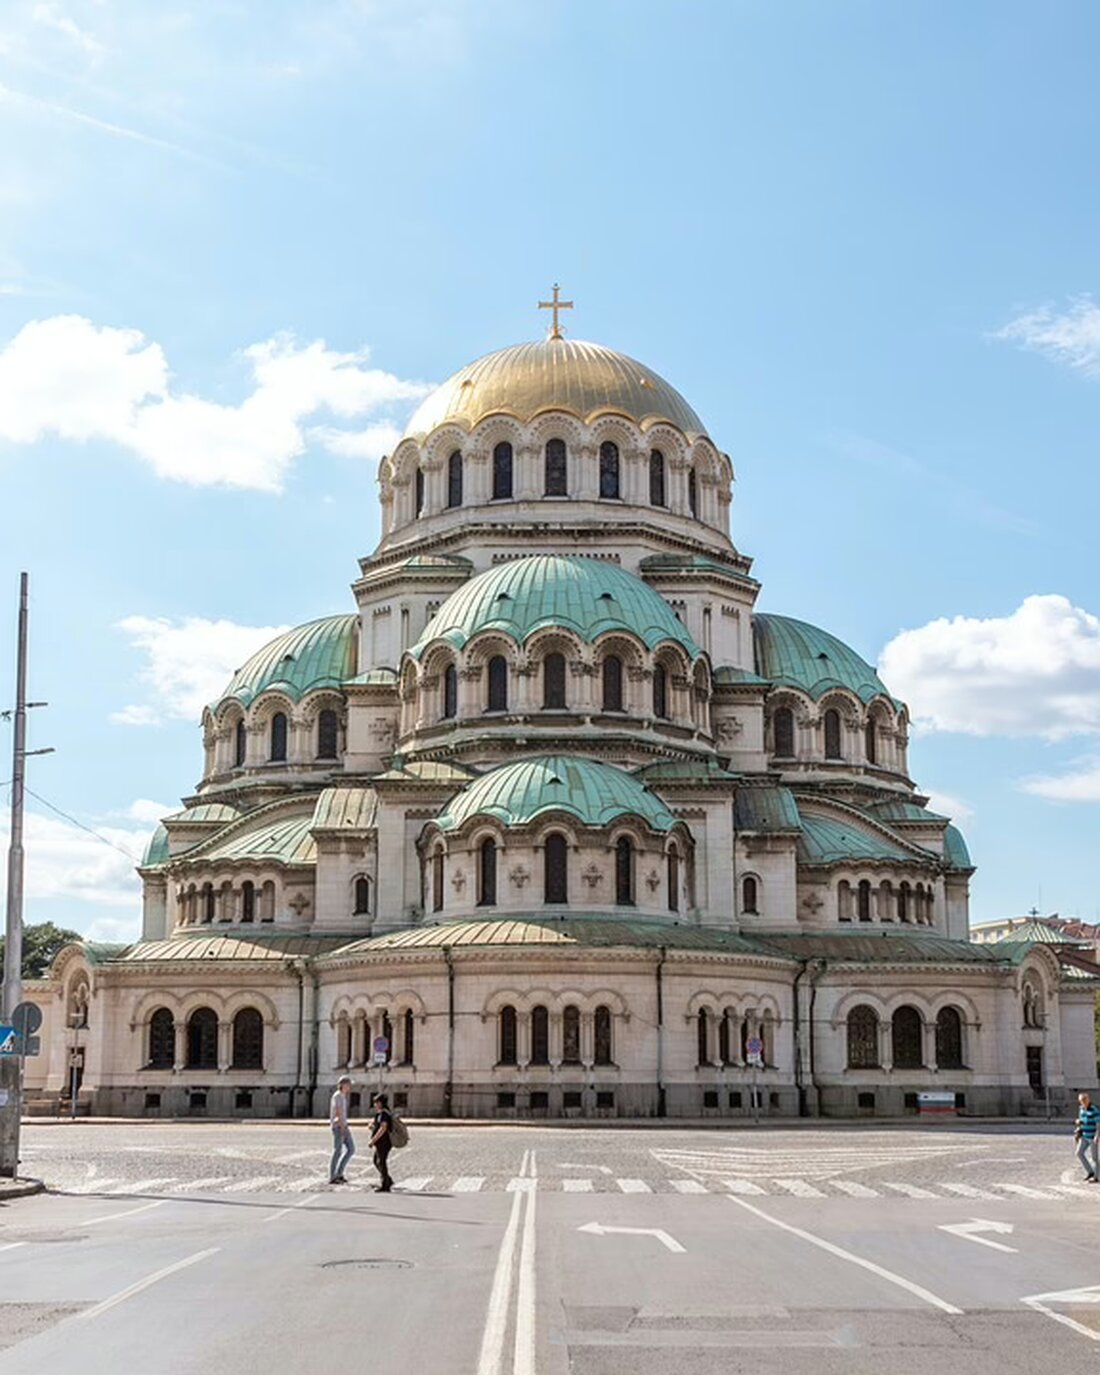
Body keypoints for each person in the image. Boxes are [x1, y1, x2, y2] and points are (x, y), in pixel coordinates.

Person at [330, 1075, 355, 1185]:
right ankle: (333, 1176)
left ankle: (339, 1173)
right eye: (348, 1084)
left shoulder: (343, 1096)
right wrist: (343, 1127)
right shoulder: (338, 1096)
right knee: (338, 1151)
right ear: (343, 1085)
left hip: (344, 1125)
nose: (350, 1086)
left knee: (351, 1149)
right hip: (339, 1127)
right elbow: (339, 1112)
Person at [369, 1092, 394, 1192]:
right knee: (376, 1161)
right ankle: (387, 1179)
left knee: (381, 1162)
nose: (375, 1104)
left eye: (376, 1102)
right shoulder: (382, 1113)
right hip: (381, 1142)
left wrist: (373, 1140)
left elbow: (383, 1128)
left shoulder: (383, 1113)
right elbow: (379, 1126)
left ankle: (385, 1185)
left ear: (380, 1103)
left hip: (384, 1142)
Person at [1075, 1091, 1100, 1182]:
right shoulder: (1081, 1109)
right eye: (1082, 1100)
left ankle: (1097, 1176)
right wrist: (1078, 1125)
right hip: (1084, 1136)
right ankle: (1090, 1172)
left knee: (1094, 1157)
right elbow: (1081, 1120)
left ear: (1088, 1099)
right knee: (1079, 1153)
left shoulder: (1094, 1109)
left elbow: (1098, 1123)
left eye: (1085, 1099)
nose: (1084, 1101)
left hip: (1093, 1136)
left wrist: (1097, 1135)